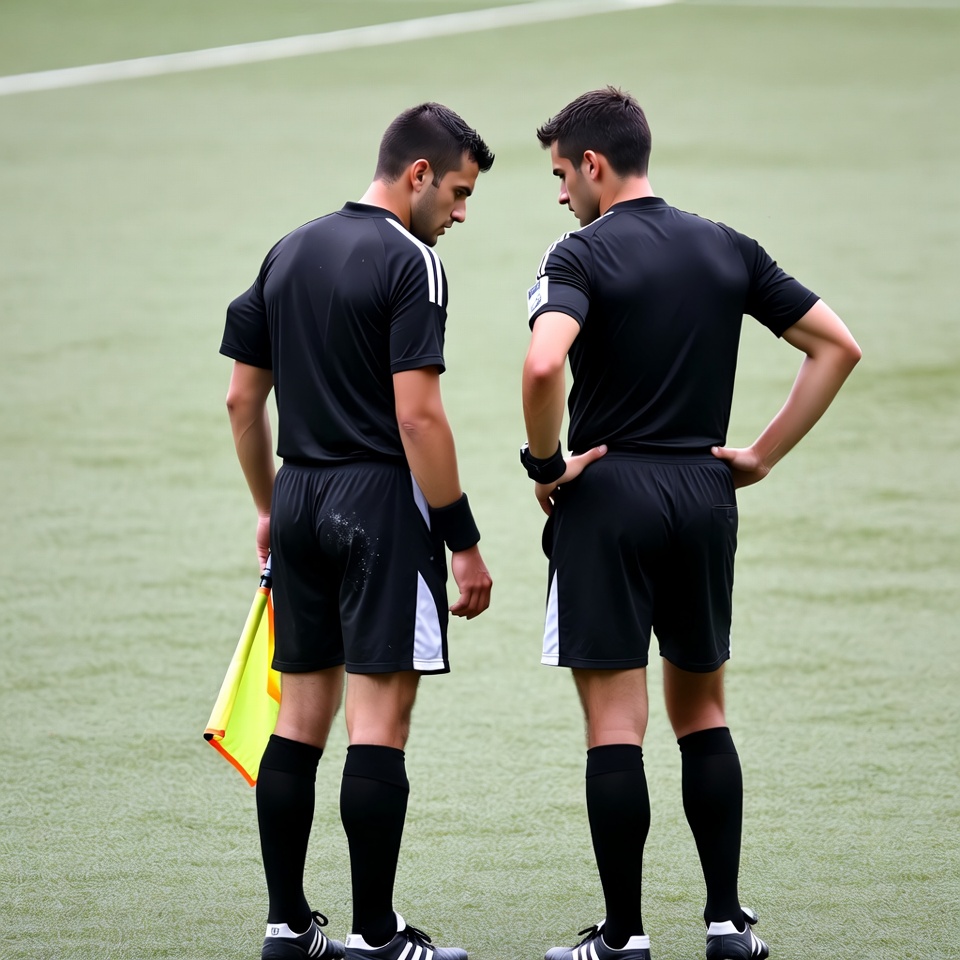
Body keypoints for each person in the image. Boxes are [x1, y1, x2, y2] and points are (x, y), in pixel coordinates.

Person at [520, 87, 861, 960]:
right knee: (702, 709)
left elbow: (543, 361)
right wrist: (761, 455)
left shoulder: (577, 253)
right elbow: (837, 348)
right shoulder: (726, 246)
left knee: (614, 726)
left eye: (562, 174)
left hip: (608, 498)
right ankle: (725, 922)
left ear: (593, 164)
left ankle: (625, 938)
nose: (561, 194)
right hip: (704, 495)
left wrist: (546, 464)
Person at [221, 102, 494, 960]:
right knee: (379, 726)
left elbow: (241, 398)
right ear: (417, 175)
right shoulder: (413, 263)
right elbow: (419, 419)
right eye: (455, 192)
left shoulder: (288, 248)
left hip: (298, 497)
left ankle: (286, 927)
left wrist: (270, 505)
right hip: (379, 505)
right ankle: (378, 936)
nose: (459, 213)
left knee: (299, 720)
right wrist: (463, 538)